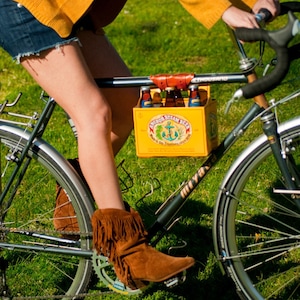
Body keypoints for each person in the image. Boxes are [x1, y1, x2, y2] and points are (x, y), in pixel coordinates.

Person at [0, 0, 280, 290]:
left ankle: (73, 194)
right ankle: (129, 252)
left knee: (128, 105)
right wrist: (223, 10)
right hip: (28, 8)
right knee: (94, 115)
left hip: (70, 8)